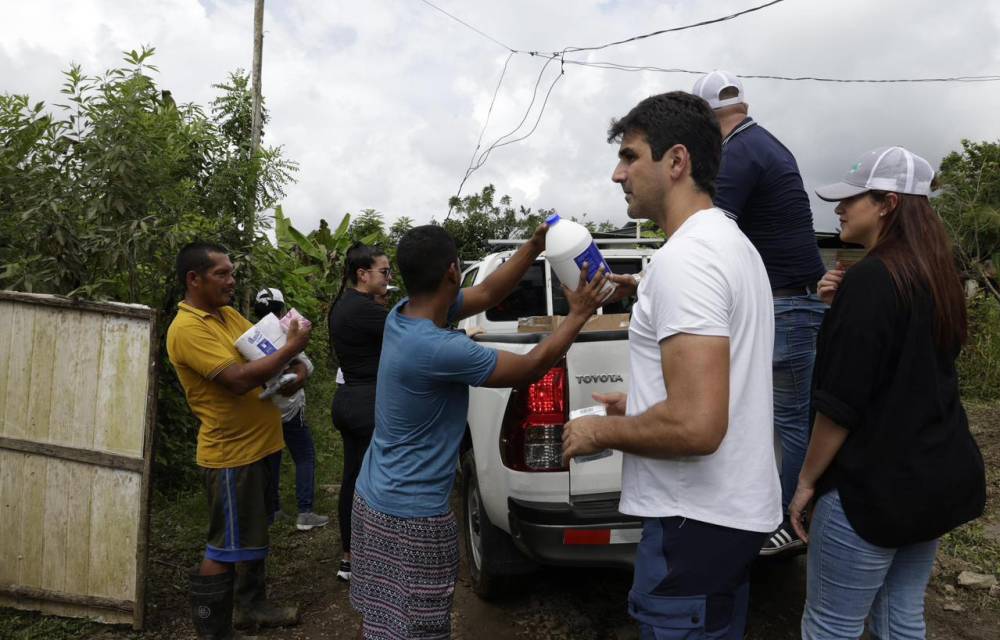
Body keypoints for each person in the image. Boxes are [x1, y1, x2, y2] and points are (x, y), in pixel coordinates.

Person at [561, 91, 781, 640]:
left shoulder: (687, 261)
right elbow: (716, 393)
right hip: (723, 515)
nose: (618, 174)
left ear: (677, 161)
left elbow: (696, 425)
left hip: (694, 521)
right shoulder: (732, 244)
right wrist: (637, 410)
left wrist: (601, 431)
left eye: (630, 156)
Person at [350, 224, 609, 639]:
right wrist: (578, 314)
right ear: (453, 271)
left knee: (384, 620)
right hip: (412, 516)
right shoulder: (439, 348)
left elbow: (488, 294)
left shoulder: (405, 314)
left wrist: (534, 246)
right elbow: (529, 369)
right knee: (418, 628)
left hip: (374, 497)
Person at [788, 147, 986, 639]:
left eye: (851, 199)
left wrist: (806, 482)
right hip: (933, 478)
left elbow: (840, 404)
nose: (839, 209)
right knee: (900, 614)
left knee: (831, 624)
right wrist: (841, 309)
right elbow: (904, 370)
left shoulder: (873, 280)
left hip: (871, 490)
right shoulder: (935, 276)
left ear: (887, 203)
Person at [692, 70, 828, 556]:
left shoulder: (737, 154)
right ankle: (786, 508)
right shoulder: (769, 144)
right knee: (788, 418)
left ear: (708, 120)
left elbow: (712, 233)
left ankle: (792, 521)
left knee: (791, 421)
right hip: (794, 300)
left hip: (785, 305)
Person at [166, 242, 309, 638]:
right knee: (225, 548)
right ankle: (215, 633)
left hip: (261, 445)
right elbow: (238, 379)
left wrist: (296, 365)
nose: (232, 280)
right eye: (222, 274)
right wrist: (293, 349)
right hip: (232, 454)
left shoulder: (227, 315)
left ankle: (252, 608)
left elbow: (265, 353)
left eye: (232, 272)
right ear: (194, 279)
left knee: (253, 535)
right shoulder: (188, 329)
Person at [327, 244, 392, 582]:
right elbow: (412, 332)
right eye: (384, 271)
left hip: (348, 399)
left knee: (353, 479)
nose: (388, 278)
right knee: (374, 483)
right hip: (367, 404)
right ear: (362, 274)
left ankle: (349, 558)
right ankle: (372, 560)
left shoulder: (345, 305)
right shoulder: (363, 309)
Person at [252, 287, 330, 531]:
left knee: (272, 458)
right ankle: (305, 512)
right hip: (292, 408)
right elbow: (307, 366)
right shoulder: (286, 332)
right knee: (304, 456)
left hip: (266, 409)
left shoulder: (250, 336)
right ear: (282, 308)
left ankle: (273, 510)